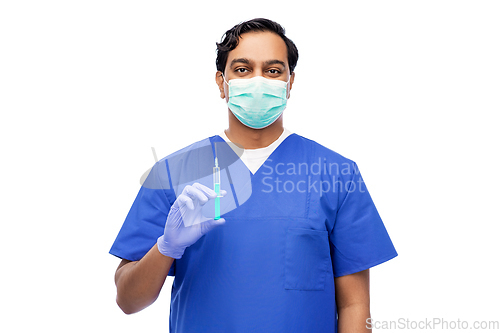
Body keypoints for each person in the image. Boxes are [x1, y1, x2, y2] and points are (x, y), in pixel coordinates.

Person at [110, 18, 397, 333]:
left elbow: (354, 305)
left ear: (289, 83)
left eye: (273, 71)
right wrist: (166, 247)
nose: (258, 81)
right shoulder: (173, 174)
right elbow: (128, 300)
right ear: (222, 83)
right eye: (243, 69)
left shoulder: (336, 173)